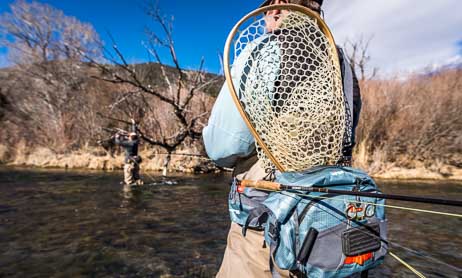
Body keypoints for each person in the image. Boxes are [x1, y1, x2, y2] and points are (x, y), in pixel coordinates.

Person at [203, 0, 362, 277]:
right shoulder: (343, 63)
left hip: (265, 230)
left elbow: (223, 147)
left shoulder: (262, 50)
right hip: (332, 223)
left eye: (266, 10)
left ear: (276, 7)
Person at [115, 119, 143, 186]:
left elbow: (118, 142)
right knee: (136, 179)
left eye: (129, 136)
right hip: (135, 164)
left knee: (129, 183)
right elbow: (134, 132)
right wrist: (133, 124)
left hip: (129, 165)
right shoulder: (136, 142)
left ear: (131, 137)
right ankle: (139, 186)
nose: (128, 137)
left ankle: (130, 194)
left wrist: (117, 137)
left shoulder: (129, 144)